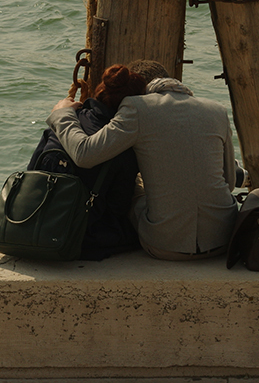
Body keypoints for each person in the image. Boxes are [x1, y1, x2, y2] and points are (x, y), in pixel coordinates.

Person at [48, 59, 238, 261]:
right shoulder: (217, 110)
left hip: (164, 245)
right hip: (223, 240)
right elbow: (230, 182)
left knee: (134, 187)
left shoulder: (137, 106)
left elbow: (84, 154)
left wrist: (62, 114)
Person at [29, 64, 145, 260]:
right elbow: (119, 206)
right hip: (84, 236)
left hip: (37, 224)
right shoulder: (122, 146)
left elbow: (32, 173)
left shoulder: (60, 124)